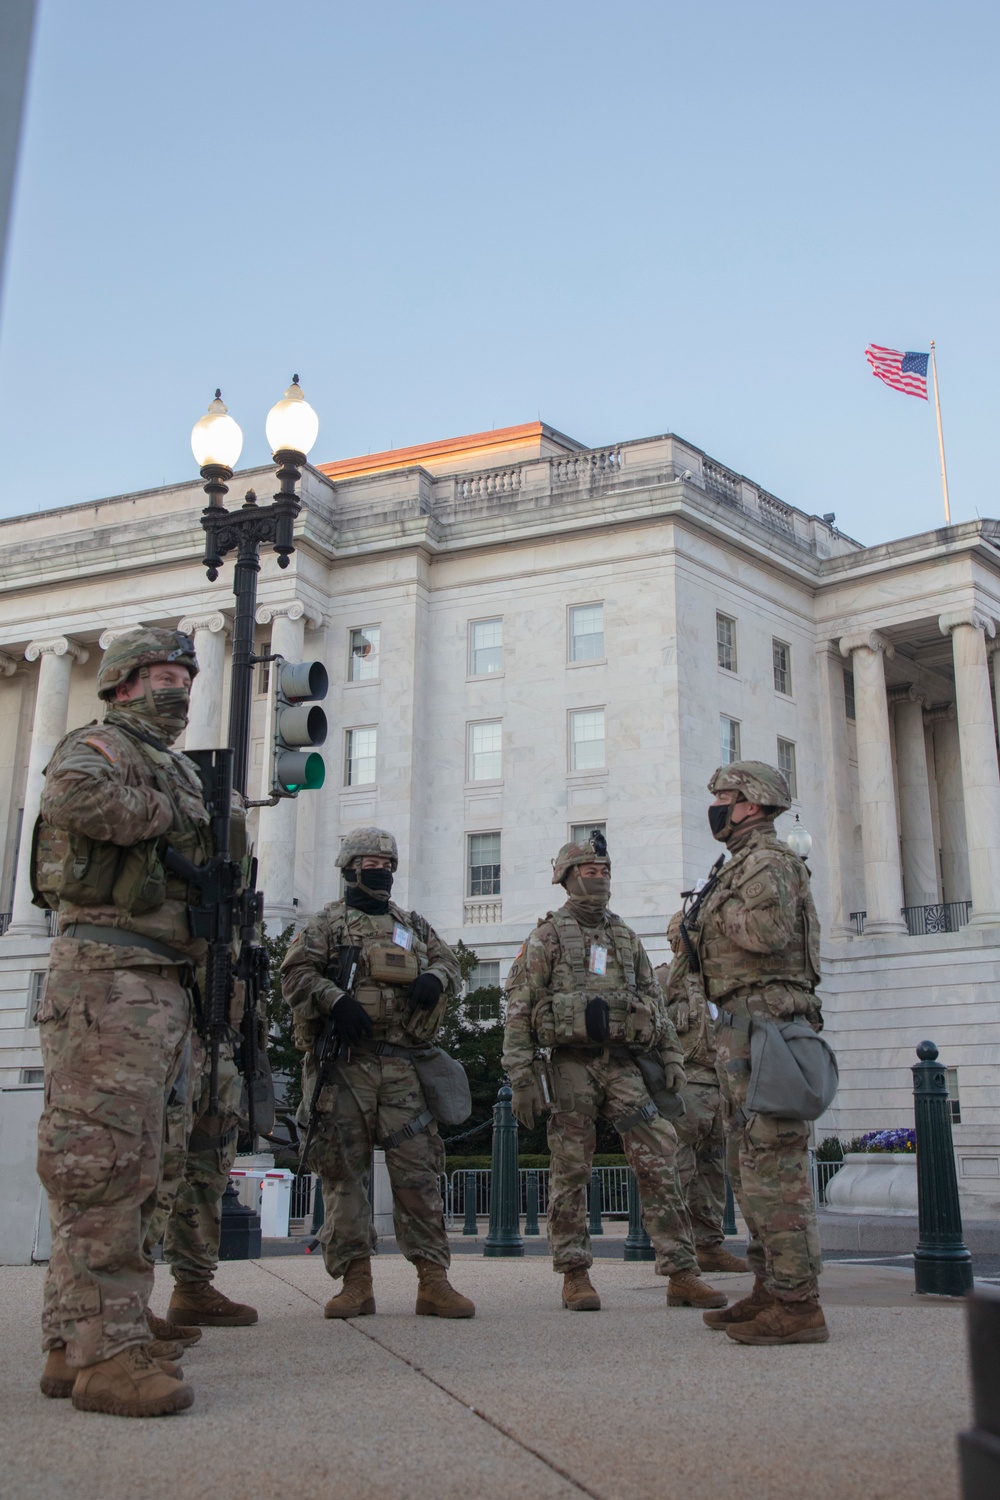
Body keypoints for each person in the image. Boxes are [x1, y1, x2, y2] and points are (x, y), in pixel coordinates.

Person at [34, 627, 209, 1415]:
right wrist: (167, 811)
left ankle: (78, 1341)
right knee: (102, 1168)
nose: (179, 689)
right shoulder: (100, 744)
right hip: (106, 976)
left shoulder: (166, 759)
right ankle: (109, 1360)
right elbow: (70, 795)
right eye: (166, 675)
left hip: (152, 976)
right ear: (123, 682)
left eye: (185, 676)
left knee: (135, 1166)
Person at [502, 832, 727, 1312]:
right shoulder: (545, 938)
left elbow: (654, 1001)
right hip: (570, 1068)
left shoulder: (624, 937)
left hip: (623, 1065)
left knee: (660, 1155)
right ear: (567, 878)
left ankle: (681, 1271)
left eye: (604, 872)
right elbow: (520, 1008)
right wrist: (521, 1077)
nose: (599, 880)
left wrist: (670, 1057)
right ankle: (575, 1273)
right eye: (590, 872)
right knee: (571, 1170)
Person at [281, 828, 474, 1318]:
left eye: (388, 862)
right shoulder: (326, 923)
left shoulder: (411, 925)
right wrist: (335, 999)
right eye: (370, 861)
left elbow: (450, 964)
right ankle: (355, 1282)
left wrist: (435, 976)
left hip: (403, 1065)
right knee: (344, 1176)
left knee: (419, 1173)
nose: (381, 869)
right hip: (346, 1067)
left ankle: (433, 1280)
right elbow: (295, 975)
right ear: (349, 867)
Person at [684, 760, 828, 1345]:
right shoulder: (739, 864)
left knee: (775, 1166)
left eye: (724, 795)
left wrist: (710, 912)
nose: (716, 804)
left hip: (769, 1026)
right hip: (742, 1027)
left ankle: (798, 1305)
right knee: (749, 1165)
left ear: (752, 804)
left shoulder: (769, 861)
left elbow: (767, 935)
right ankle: (770, 1287)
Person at [653, 914, 747, 1274]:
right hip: (683, 1091)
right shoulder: (662, 981)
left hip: (720, 1089)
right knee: (677, 1171)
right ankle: (673, 1253)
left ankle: (708, 1245)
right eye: (688, 936)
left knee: (712, 1173)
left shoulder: (719, 983)